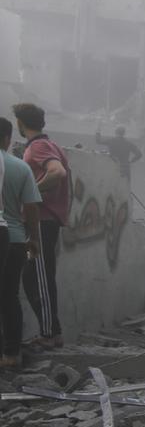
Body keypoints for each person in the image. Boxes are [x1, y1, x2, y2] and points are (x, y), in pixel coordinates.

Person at [13, 103, 70, 349]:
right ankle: (50, 331)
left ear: (20, 124)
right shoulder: (50, 144)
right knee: (32, 277)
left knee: (40, 279)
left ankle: (50, 334)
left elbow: (57, 173)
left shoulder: (38, 147)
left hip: (43, 220)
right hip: (44, 220)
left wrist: (31, 193)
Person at [0, 118, 41, 369]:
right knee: (9, 296)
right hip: (14, 240)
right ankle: (11, 354)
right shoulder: (20, 167)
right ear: (7, 139)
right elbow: (31, 208)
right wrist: (34, 238)